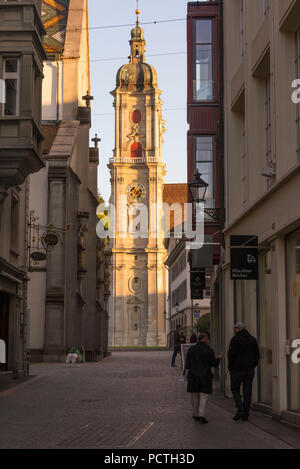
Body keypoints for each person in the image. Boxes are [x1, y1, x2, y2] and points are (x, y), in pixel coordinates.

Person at [184, 333, 221, 424]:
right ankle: (201, 415)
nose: (208, 341)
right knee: (204, 396)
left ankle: (195, 414)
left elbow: (187, 364)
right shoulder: (209, 350)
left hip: (193, 376)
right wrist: (219, 358)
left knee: (194, 396)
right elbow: (213, 363)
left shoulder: (191, 349)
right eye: (208, 339)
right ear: (205, 339)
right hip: (205, 376)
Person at [228, 322, 260, 422]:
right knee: (247, 392)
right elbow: (257, 355)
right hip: (249, 370)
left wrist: (231, 367)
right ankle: (245, 414)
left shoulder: (235, 339)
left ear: (238, 329)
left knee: (235, 390)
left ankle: (241, 410)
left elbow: (231, 355)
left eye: (235, 329)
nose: (234, 330)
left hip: (237, 370)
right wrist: (252, 365)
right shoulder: (252, 339)